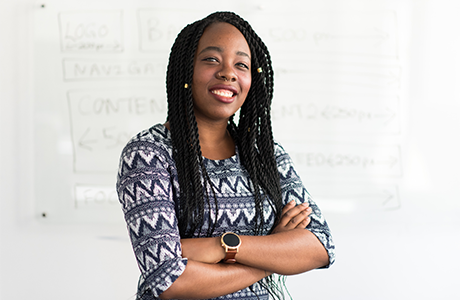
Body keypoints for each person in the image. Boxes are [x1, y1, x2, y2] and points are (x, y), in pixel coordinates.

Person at [116, 11, 335, 300]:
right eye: (211, 59)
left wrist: (223, 246)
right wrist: (273, 250)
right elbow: (170, 282)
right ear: (185, 70)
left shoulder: (265, 155)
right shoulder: (148, 154)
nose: (228, 73)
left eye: (241, 64)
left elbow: (320, 247)